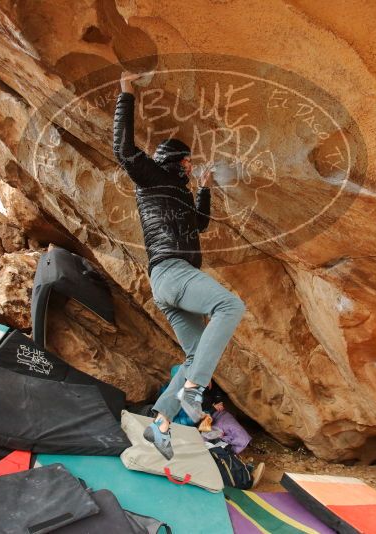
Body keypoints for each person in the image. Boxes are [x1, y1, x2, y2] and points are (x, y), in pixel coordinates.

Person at [113, 71, 246, 460]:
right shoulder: (151, 177)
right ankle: (194, 389)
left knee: (191, 356)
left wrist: (203, 189)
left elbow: (199, 224)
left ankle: (161, 424)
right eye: (187, 163)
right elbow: (123, 151)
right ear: (172, 161)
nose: (190, 168)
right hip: (174, 272)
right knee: (229, 306)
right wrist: (127, 93)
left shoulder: (179, 193)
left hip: (166, 282)